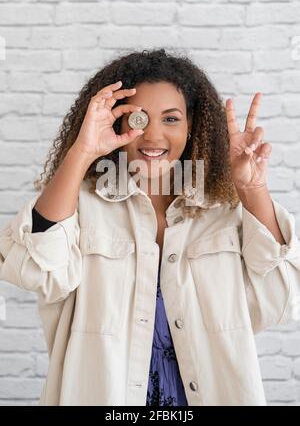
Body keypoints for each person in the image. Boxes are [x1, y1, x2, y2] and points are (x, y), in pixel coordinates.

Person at [0, 48, 299, 406]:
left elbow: (283, 299)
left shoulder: (225, 208)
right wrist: (82, 150)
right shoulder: (81, 202)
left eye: (171, 119)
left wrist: (252, 189)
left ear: (192, 126)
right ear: (117, 124)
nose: (154, 136)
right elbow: (36, 269)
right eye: (138, 118)